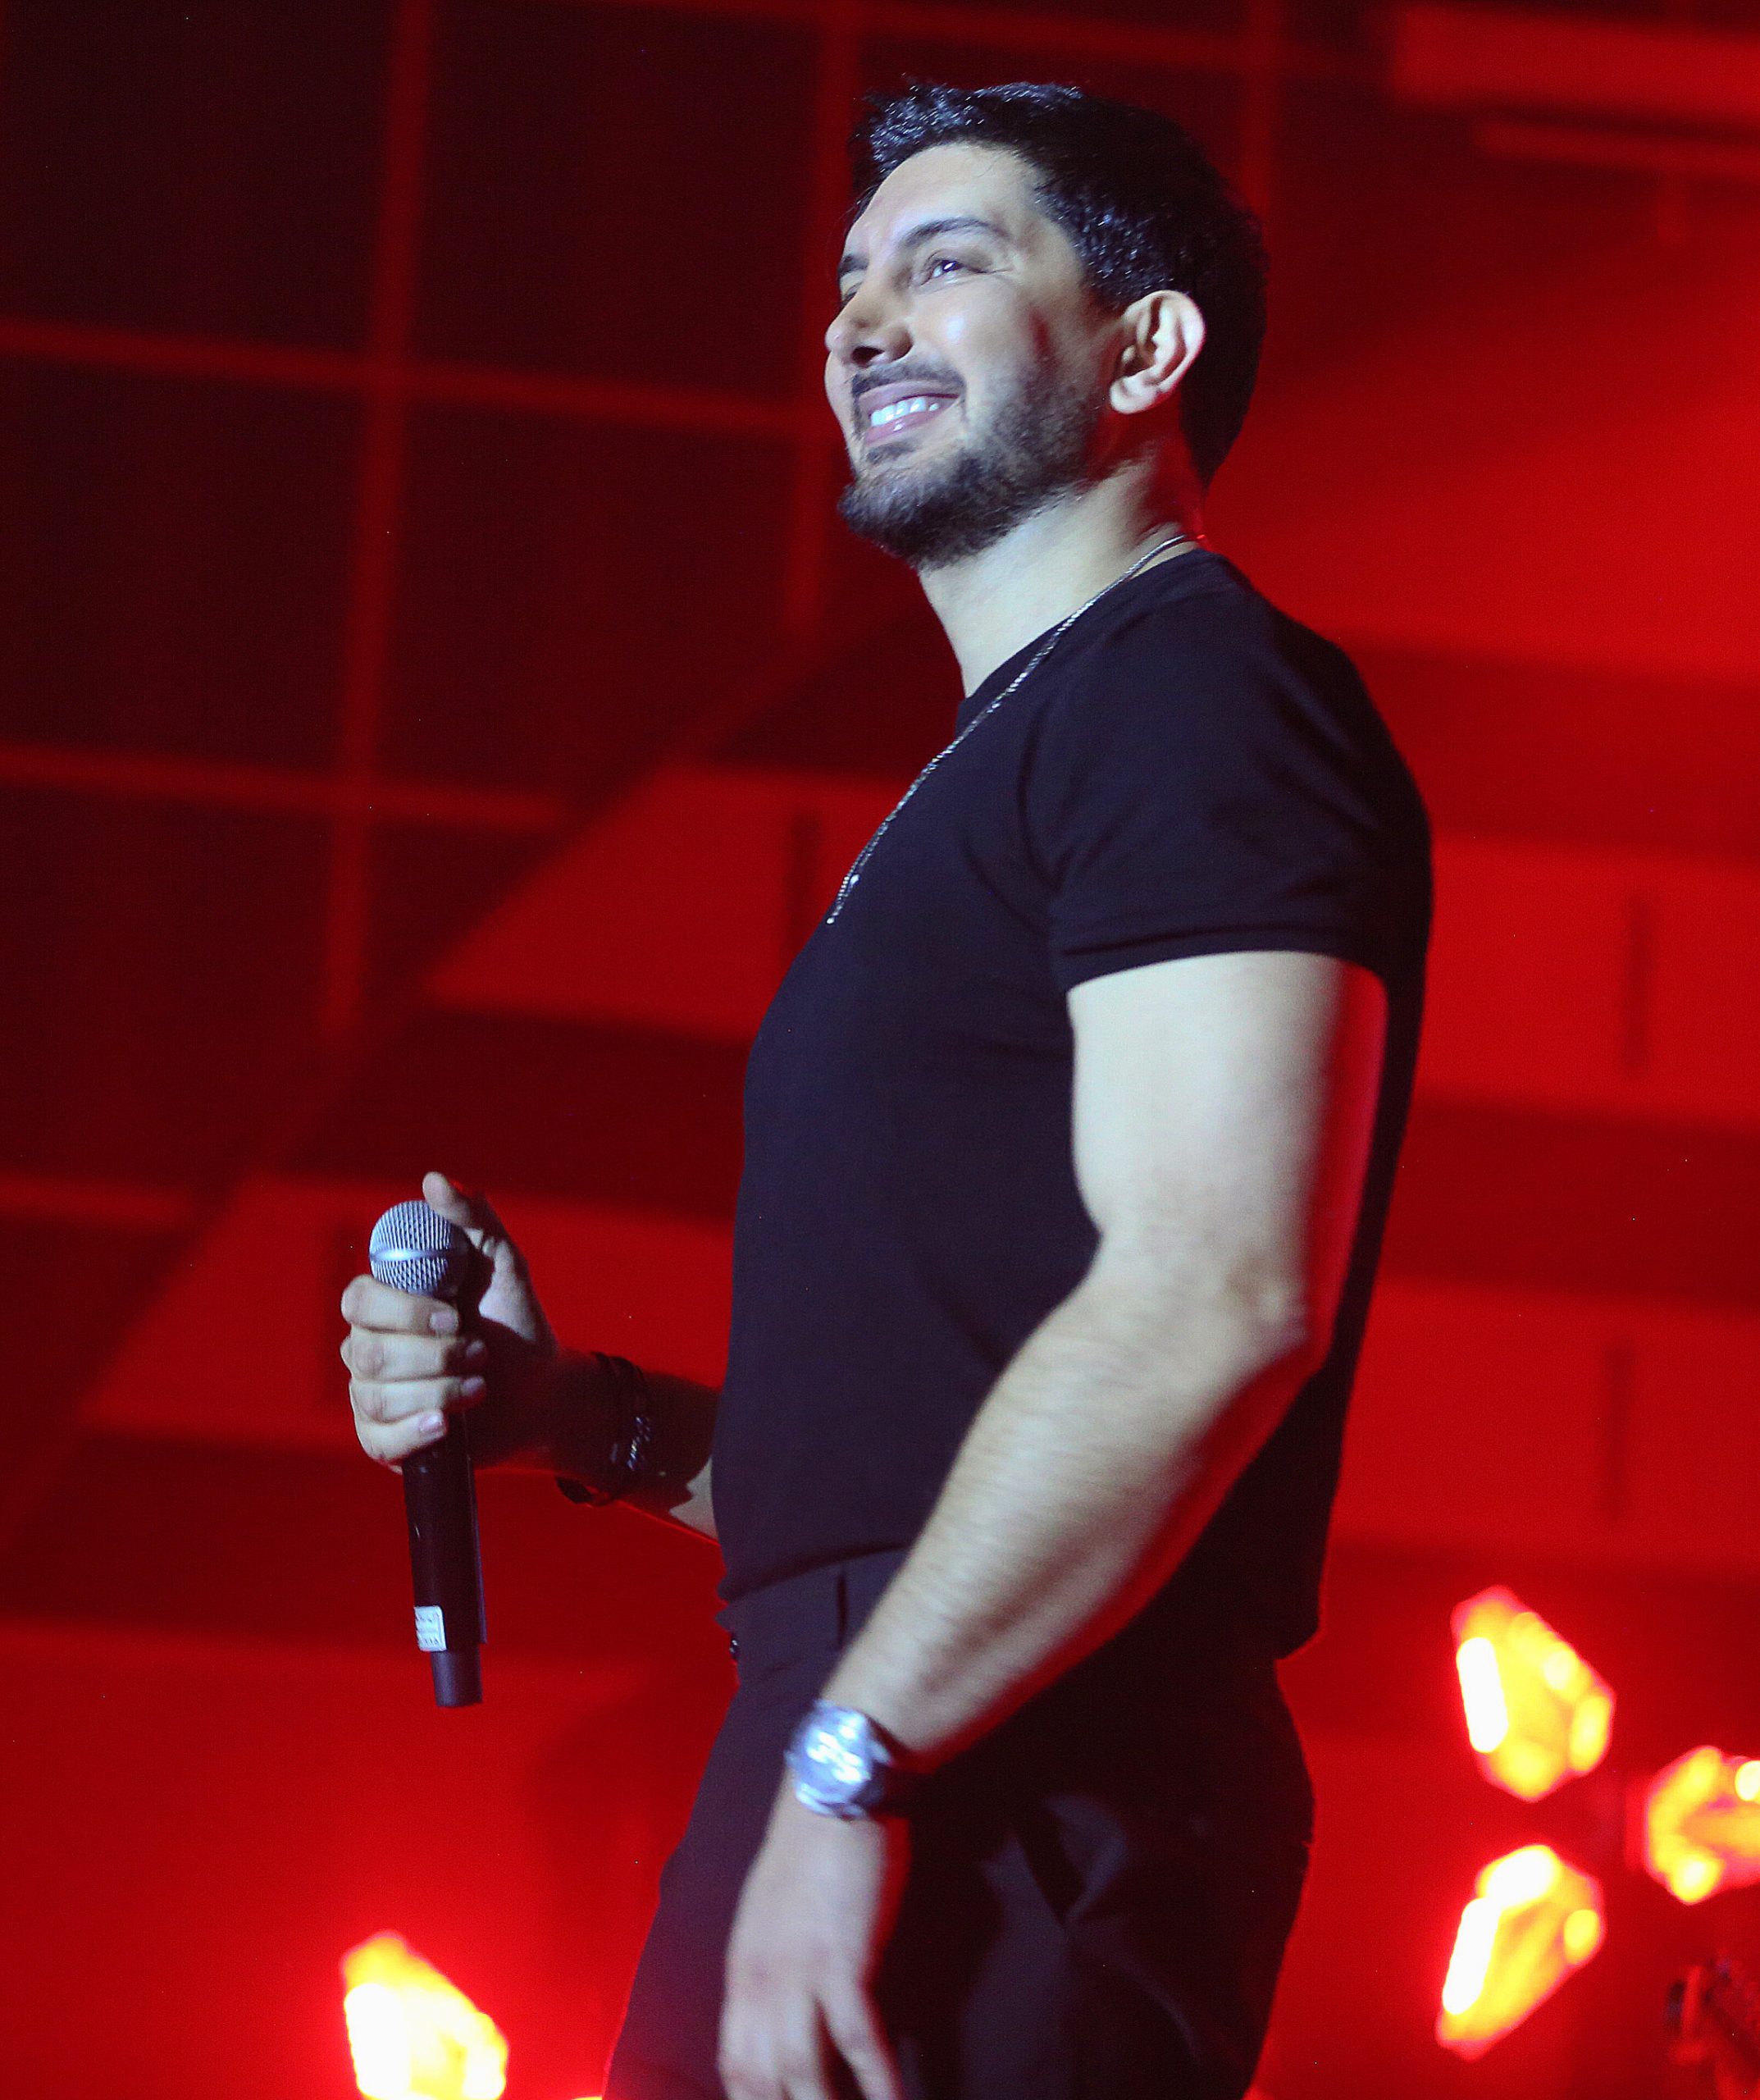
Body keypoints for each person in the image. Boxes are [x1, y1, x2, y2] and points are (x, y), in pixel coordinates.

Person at [341, 80, 1430, 2100]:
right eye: (848, 282)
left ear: (1144, 345)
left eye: (944, 265)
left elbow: (1209, 1295)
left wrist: (854, 1761)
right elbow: (923, 1462)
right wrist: (578, 1416)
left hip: (1003, 1770)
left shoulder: (1187, 695)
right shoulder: (1010, 758)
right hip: (899, 1730)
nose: (857, 323)